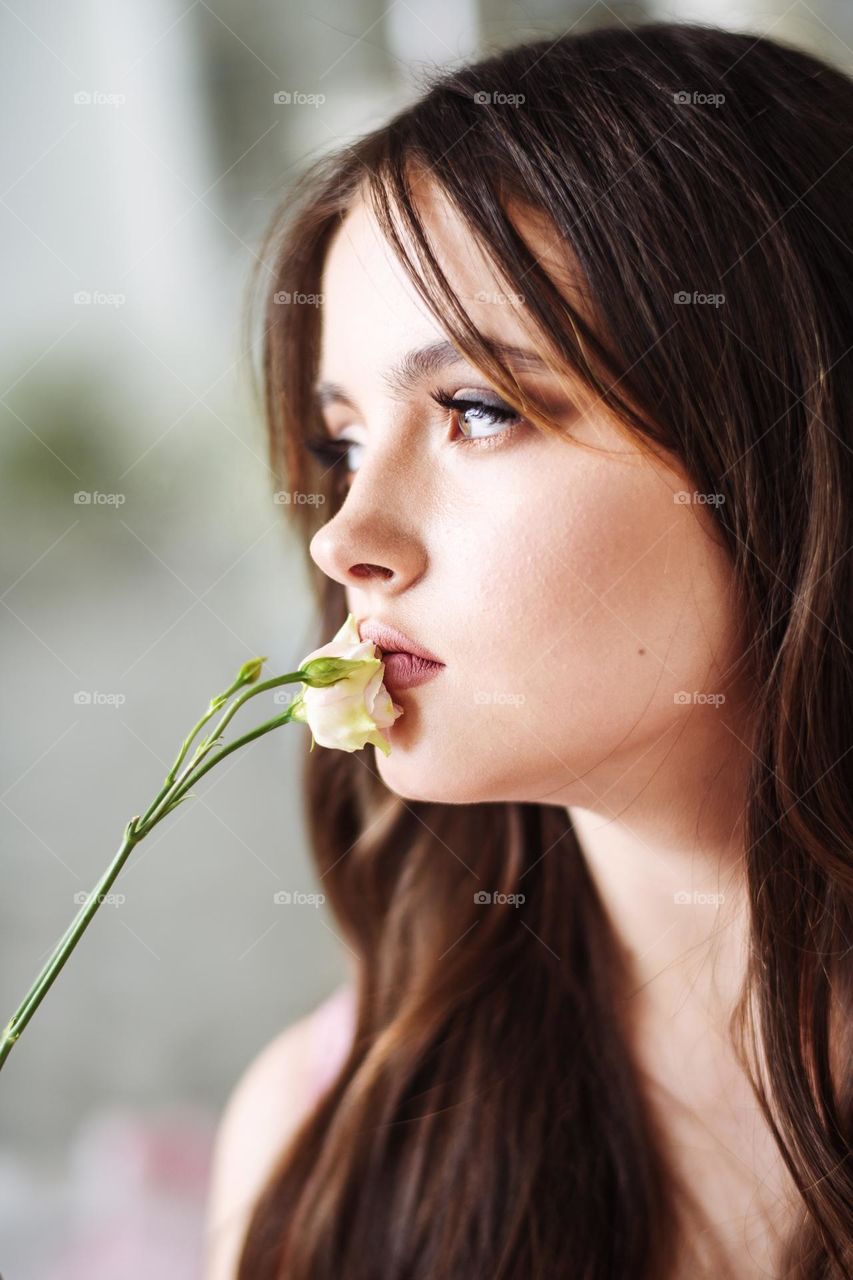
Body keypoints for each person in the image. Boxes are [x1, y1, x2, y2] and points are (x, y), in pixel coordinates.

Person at [203, 20, 853, 1279]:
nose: (346, 537)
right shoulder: (318, 1147)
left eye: (478, 410)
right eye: (340, 442)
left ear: (787, 441)